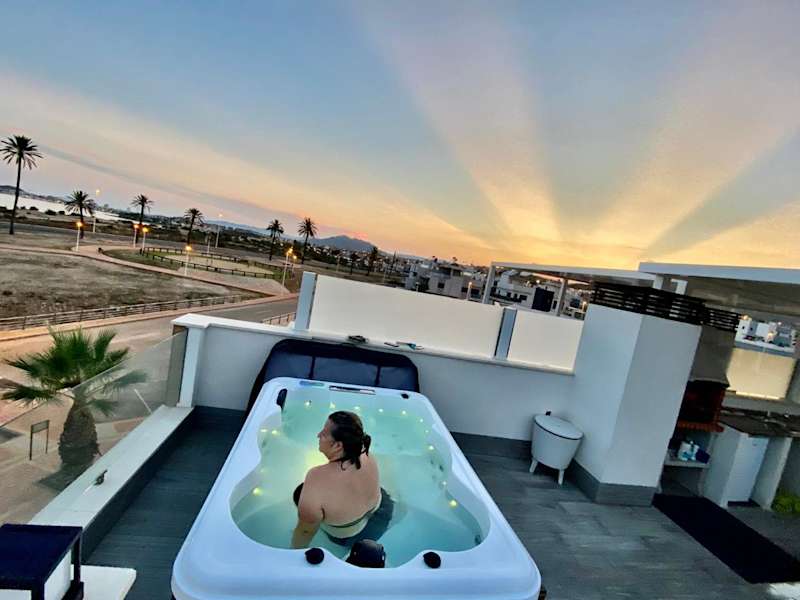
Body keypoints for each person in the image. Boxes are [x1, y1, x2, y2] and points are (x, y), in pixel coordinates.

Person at [291, 411, 393, 548]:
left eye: (324, 434)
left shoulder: (316, 479)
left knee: (301, 498)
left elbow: (305, 531)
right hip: (385, 509)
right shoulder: (364, 450)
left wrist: (293, 550)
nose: (318, 435)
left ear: (338, 446)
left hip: (353, 538)